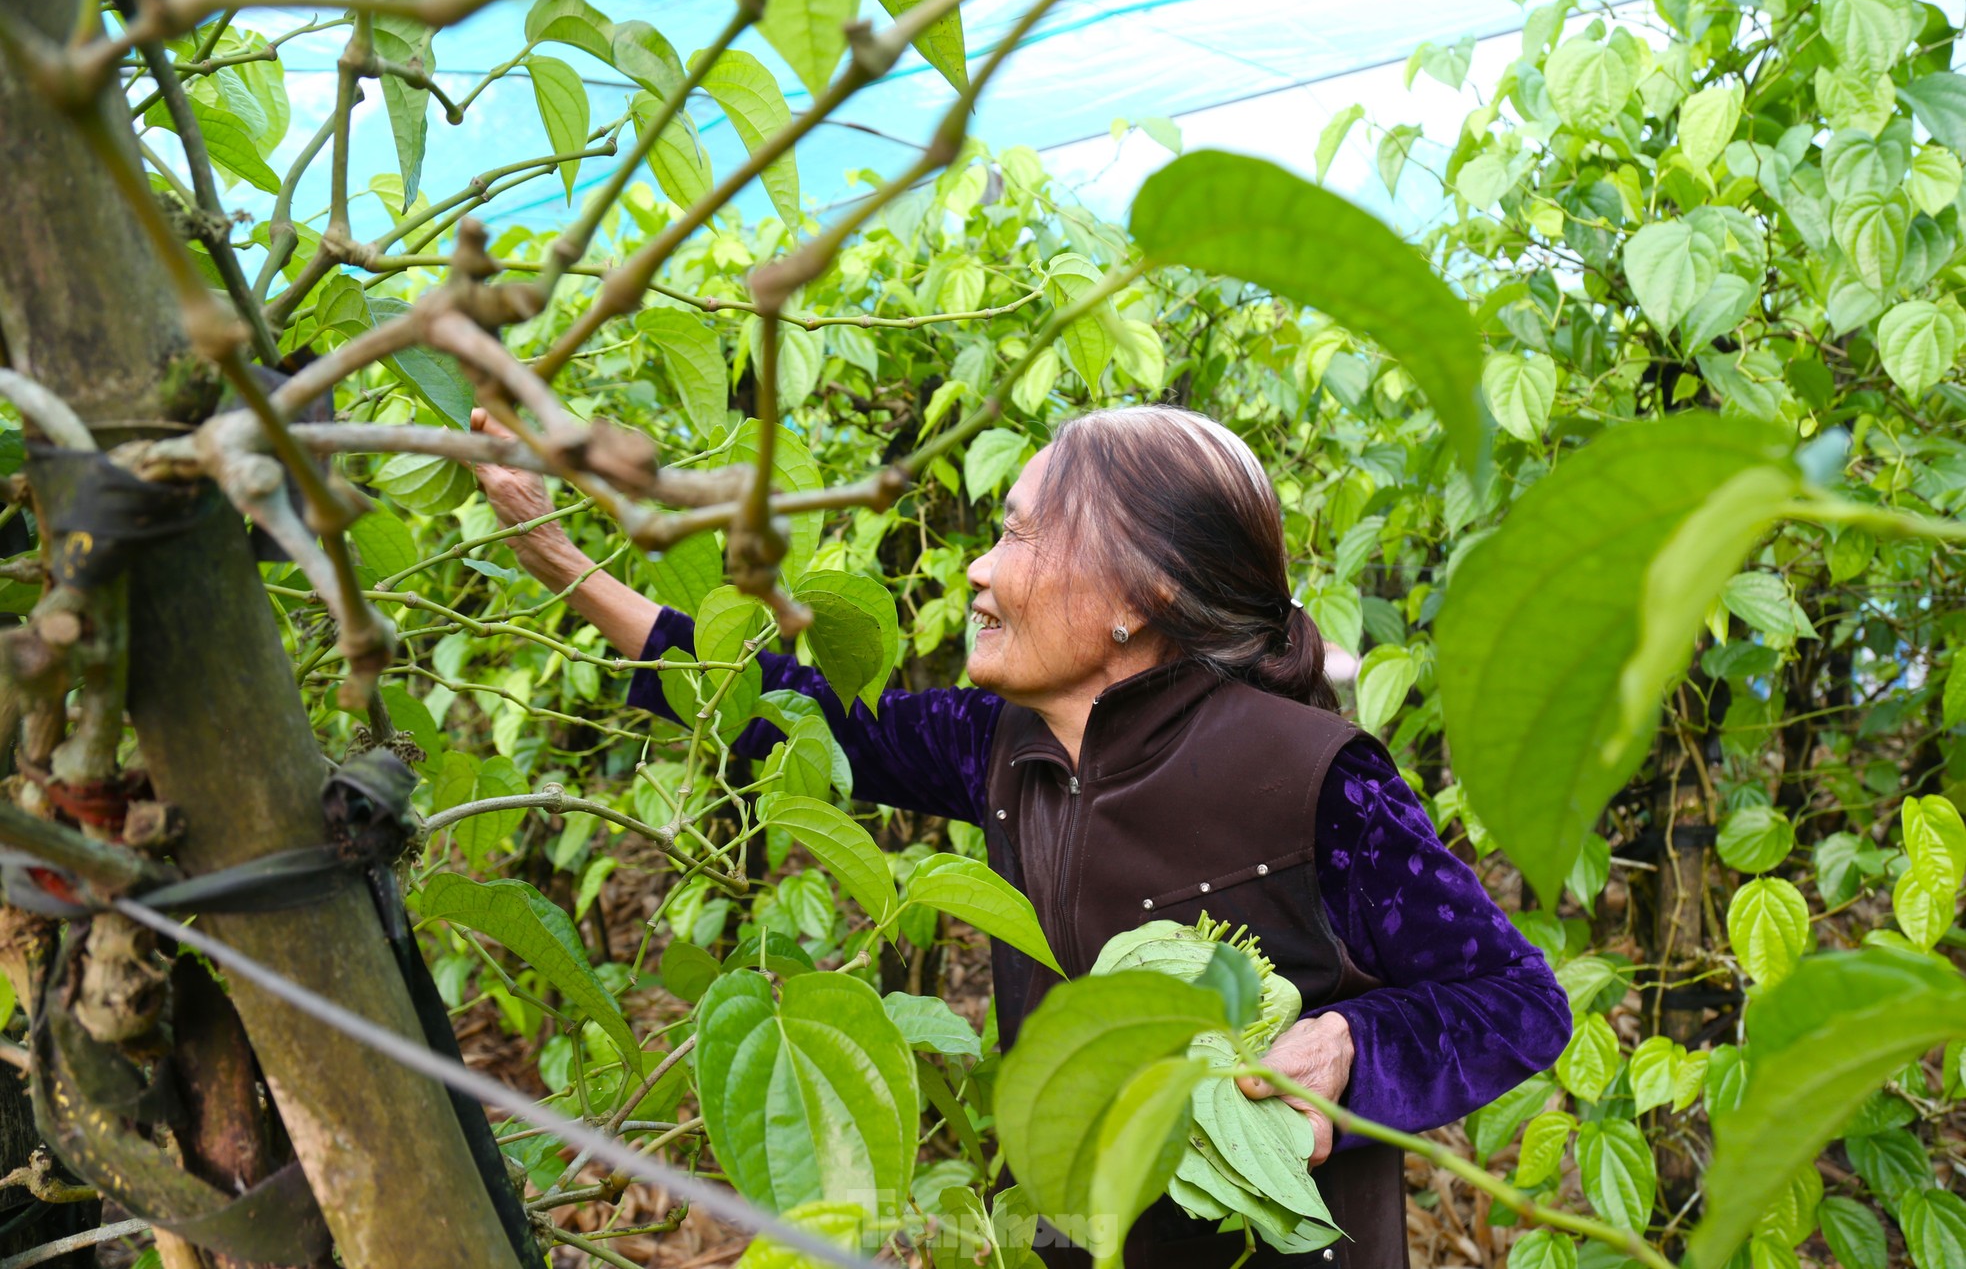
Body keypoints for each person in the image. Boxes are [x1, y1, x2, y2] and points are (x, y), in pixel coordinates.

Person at [470, 404, 1571, 1268]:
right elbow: (799, 716)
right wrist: (564, 563)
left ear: (1140, 595)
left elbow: (1516, 1000)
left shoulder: (1312, 778)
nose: (981, 571)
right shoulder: (1001, 745)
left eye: (1020, 533)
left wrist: (1348, 1048)